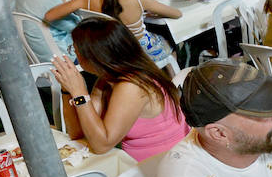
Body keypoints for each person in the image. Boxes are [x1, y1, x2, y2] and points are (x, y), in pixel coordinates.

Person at [53, 18, 189, 162]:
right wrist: (67, 91)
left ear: (94, 56)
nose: (74, 54)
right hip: (144, 163)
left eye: (74, 50)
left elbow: (101, 145)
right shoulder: (107, 80)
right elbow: (80, 134)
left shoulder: (132, 86)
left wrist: (80, 93)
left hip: (165, 164)